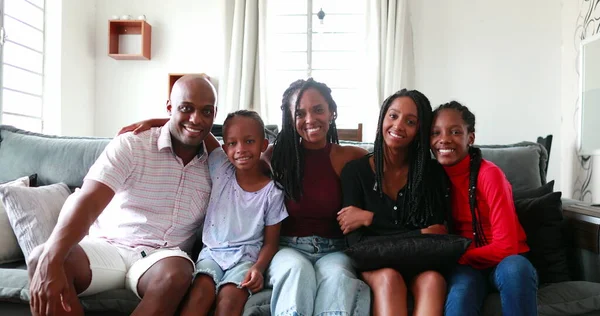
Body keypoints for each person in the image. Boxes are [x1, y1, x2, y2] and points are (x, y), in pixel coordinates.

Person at [119, 78, 371, 315]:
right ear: (290, 118)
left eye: (318, 110)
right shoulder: (274, 157)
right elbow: (203, 134)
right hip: (285, 248)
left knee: (338, 276)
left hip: (330, 250)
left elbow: (391, 191)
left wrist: (369, 215)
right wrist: (161, 120)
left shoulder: (353, 156)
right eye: (300, 113)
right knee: (295, 270)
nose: (310, 119)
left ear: (331, 112)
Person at [27, 75, 217, 316]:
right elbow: (88, 202)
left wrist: (167, 121)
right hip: (107, 247)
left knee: (176, 274)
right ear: (169, 107)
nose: (196, 119)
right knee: (39, 258)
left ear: (214, 115)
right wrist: (51, 256)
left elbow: (211, 132)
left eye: (206, 112)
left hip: (163, 258)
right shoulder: (132, 145)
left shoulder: (217, 164)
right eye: (186, 108)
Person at [337, 89, 449, 316]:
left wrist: (370, 218)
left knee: (434, 280)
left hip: (420, 263)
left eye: (410, 121)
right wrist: (418, 232)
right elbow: (356, 243)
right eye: (393, 116)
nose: (398, 125)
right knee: (390, 278)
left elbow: (437, 234)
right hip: (375, 264)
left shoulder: (432, 173)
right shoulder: (355, 172)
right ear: (382, 118)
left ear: (420, 129)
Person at [430, 101, 538, 316]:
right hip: (467, 268)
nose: (444, 139)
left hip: (504, 261)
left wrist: (458, 255)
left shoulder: (489, 175)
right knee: (460, 298)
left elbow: (506, 247)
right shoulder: (431, 178)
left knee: (516, 269)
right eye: (435, 133)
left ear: (470, 138)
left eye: (455, 131)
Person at [179, 110, 288, 316]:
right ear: (224, 148)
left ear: (263, 145)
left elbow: (271, 243)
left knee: (229, 303)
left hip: (245, 259)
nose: (241, 149)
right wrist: (155, 121)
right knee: (200, 295)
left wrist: (258, 268)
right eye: (232, 143)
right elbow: (202, 131)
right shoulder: (221, 168)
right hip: (211, 254)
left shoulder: (272, 192)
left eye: (249, 141)